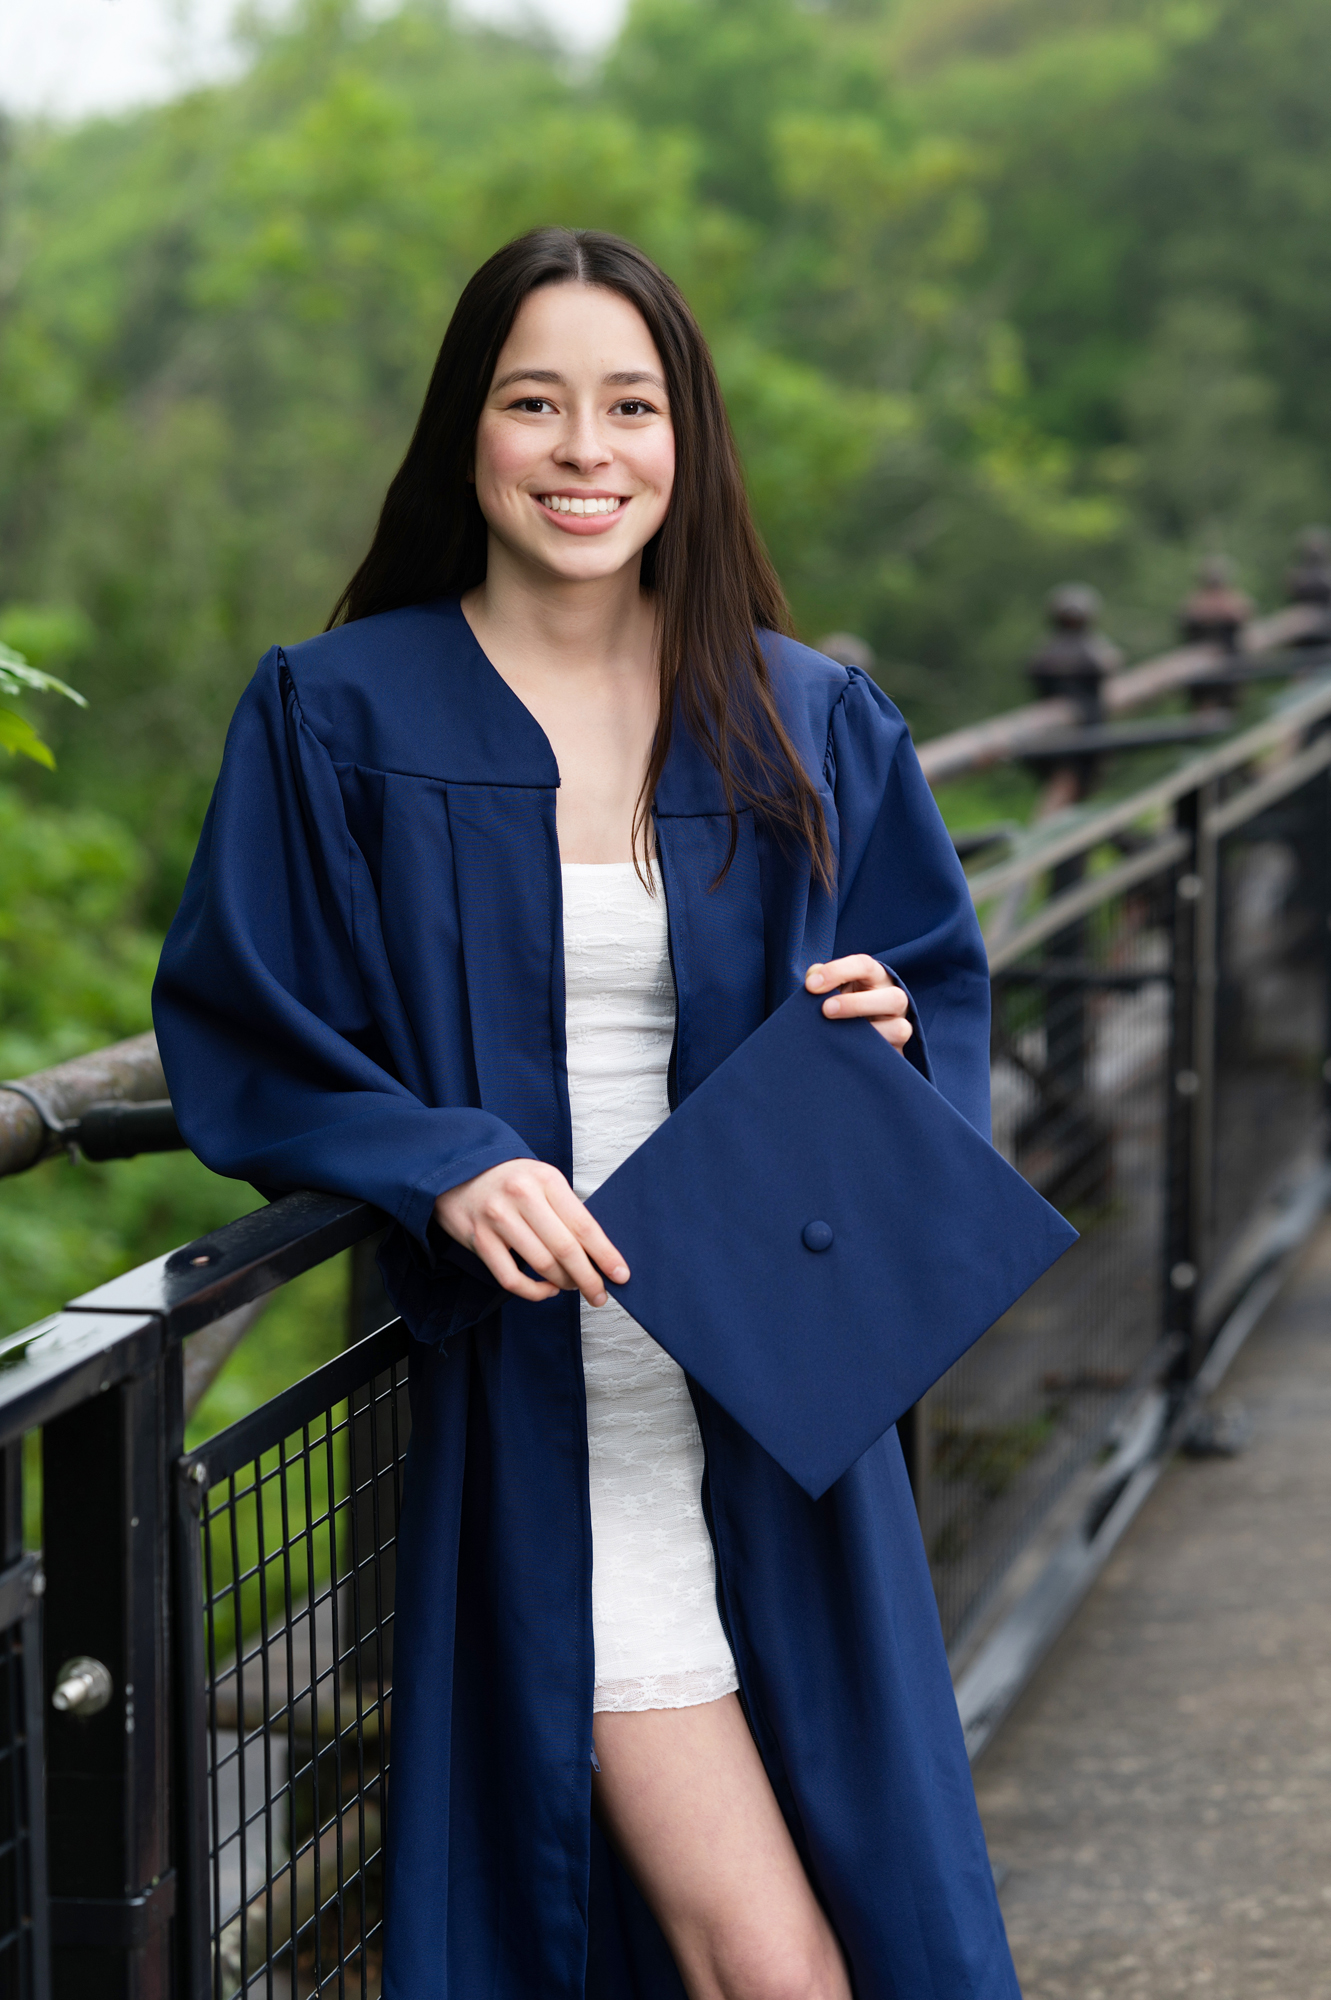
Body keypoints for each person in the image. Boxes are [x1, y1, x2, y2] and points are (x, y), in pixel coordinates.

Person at [155, 227, 1019, 1999]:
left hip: (780, 1408)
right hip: (556, 1409)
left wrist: (888, 1035)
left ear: (684, 437)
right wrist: (443, 1157)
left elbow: (935, 1004)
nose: (583, 450)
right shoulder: (337, 715)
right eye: (533, 402)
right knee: (773, 1960)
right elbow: (250, 1028)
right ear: (466, 430)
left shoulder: (805, 718)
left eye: (629, 406)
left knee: (870, 1908)